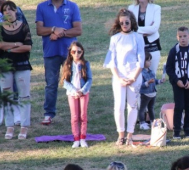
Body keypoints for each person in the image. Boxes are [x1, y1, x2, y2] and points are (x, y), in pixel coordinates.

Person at [36, 0, 82, 125]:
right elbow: (39, 30)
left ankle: (78, 114)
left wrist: (61, 33)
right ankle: (48, 114)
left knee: (75, 82)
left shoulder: (73, 7)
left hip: (70, 53)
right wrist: (53, 29)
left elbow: (78, 30)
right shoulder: (42, 7)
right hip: (50, 52)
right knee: (51, 84)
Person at [103, 9, 145, 146]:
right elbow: (111, 61)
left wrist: (133, 77)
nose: (124, 25)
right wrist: (119, 78)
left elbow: (141, 60)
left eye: (127, 22)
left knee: (132, 105)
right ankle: (120, 134)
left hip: (134, 76)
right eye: (122, 23)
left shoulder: (138, 37)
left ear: (132, 22)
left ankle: (130, 135)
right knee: (119, 106)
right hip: (119, 77)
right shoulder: (115, 39)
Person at [0, 0, 33, 140]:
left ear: (16, 11)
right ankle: (9, 126)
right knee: (7, 96)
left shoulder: (23, 27)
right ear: (2, 13)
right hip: (4, 65)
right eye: (5, 10)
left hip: (22, 64)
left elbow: (28, 47)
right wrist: (16, 45)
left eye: (11, 9)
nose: (8, 12)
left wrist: (9, 48)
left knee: (24, 96)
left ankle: (24, 127)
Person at [165, 26, 189, 139]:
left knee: (188, 106)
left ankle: (187, 129)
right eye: (180, 37)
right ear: (177, 37)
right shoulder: (174, 51)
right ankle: (176, 131)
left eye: (185, 36)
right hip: (178, 84)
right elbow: (169, 68)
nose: (183, 39)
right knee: (179, 106)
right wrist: (176, 80)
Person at [62, 41, 93, 148]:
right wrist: (75, 91)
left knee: (83, 116)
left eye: (79, 52)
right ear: (70, 52)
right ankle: (76, 138)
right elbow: (65, 81)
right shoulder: (67, 64)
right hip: (72, 94)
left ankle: (83, 138)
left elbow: (89, 79)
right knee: (74, 116)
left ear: (82, 52)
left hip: (83, 93)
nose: (76, 54)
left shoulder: (85, 64)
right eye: (74, 52)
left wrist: (82, 91)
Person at [128, 0, 162, 74]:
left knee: (152, 75)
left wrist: (137, 30)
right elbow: (128, 28)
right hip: (136, 46)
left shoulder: (156, 8)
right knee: (136, 75)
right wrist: (145, 30)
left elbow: (154, 28)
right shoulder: (131, 9)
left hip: (152, 46)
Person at [138, 52, 165, 130]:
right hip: (145, 94)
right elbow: (140, 85)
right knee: (142, 109)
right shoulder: (140, 73)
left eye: (150, 60)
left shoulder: (151, 71)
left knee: (151, 108)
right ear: (143, 61)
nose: (150, 62)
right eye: (148, 60)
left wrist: (160, 81)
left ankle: (152, 121)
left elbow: (155, 81)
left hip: (153, 93)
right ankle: (142, 123)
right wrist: (148, 83)